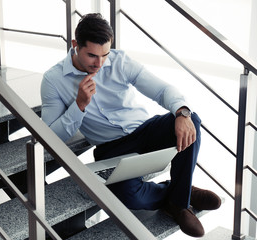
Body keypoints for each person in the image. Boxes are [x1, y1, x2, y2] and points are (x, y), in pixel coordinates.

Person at [41, 13, 221, 237]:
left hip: (145, 131)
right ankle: (181, 193)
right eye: (92, 56)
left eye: (105, 55)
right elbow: (48, 137)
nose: (99, 63)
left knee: (191, 120)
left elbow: (161, 90)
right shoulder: (53, 80)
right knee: (129, 196)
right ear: (75, 45)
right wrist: (79, 106)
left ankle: (178, 204)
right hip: (111, 147)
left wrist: (182, 112)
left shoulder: (119, 61)